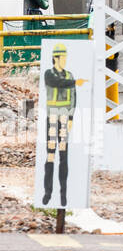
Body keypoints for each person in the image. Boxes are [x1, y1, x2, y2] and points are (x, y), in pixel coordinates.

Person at [42, 43, 84, 207]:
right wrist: (74, 82)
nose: (65, 60)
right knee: (51, 154)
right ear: (56, 58)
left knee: (63, 155)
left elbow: (74, 97)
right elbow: (56, 83)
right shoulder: (49, 74)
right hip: (52, 116)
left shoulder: (69, 75)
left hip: (65, 117)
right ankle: (47, 193)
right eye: (63, 57)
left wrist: (72, 117)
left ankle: (63, 194)